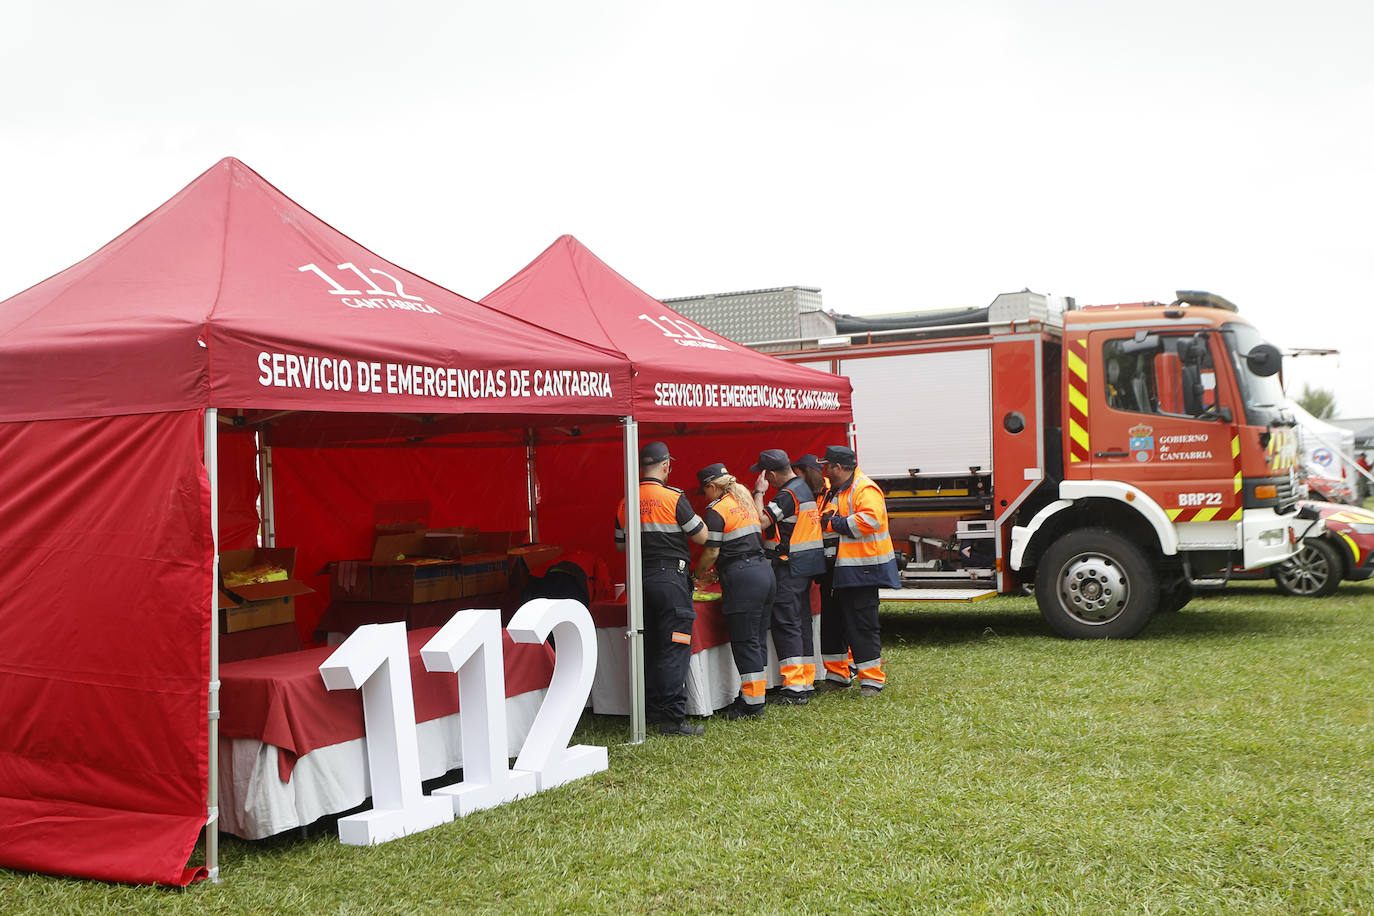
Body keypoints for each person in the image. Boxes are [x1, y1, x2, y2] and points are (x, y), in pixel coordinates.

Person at [615, 440, 709, 737]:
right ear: (666, 466)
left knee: (649, 645)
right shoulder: (673, 498)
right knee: (674, 646)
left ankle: (651, 709)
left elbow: (620, 545)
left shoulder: (625, 500)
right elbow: (702, 537)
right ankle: (672, 718)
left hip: (638, 581)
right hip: (670, 582)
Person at [693, 462, 776, 719]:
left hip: (744, 580)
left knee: (746, 642)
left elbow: (713, 550)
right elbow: (742, 543)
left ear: (711, 486)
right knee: (757, 639)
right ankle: (754, 696)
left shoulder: (717, 509)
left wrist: (698, 575)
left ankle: (752, 706)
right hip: (763, 572)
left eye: (704, 491)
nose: (705, 496)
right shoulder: (745, 501)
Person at [818, 445, 899, 697]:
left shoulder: (864, 488)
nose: (824, 470)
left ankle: (871, 681)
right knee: (832, 625)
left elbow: (870, 520)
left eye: (827, 466)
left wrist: (834, 523)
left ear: (838, 467)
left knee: (861, 626)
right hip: (835, 572)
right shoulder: (835, 489)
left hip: (860, 572)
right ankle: (837, 676)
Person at [751, 448, 825, 704]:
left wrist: (758, 493)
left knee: (786, 623)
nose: (767, 482)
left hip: (787, 568)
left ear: (770, 474)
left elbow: (760, 521)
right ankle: (804, 680)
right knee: (801, 622)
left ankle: (794, 689)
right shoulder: (802, 489)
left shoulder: (788, 494)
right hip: (802, 568)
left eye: (766, 478)